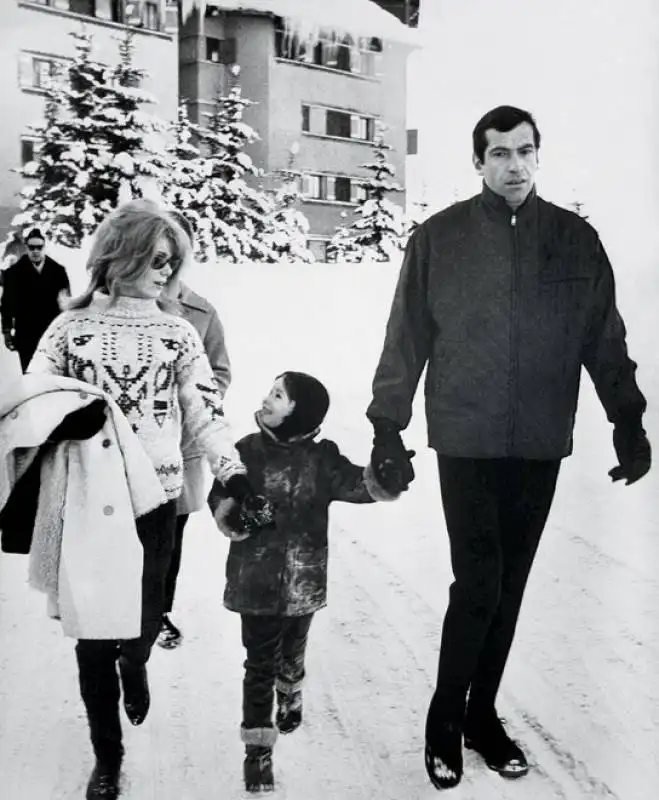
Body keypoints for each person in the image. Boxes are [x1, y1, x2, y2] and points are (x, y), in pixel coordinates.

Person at [366, 105, 651, 790]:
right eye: (498, 153)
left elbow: (601, 338)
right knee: (478, 582)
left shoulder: (573, 239)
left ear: (537, 154)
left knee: (509, 587)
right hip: (464, 437)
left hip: (538, 440)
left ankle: (481, 715)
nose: (513, 165)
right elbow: (406, 336)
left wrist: (626, 419)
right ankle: (444, 719)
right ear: (477, 161)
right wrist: (386, 425)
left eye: (523, 151)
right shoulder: (439, 238)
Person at [27, 199, 260, 800]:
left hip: (155, 501)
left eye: (173, 261)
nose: (167, 272)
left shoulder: (179, 331)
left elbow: (205, 413)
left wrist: (232, 473)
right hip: (84, 502)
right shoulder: (67, 329)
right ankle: (108, 757)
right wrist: (59, 423)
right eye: (158, 259)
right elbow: (28, 403)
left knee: (143, 624)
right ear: (121, 255)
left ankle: (136, 664)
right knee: (91, 638)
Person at [208, 371, 404, 793]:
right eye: (271, 391)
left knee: (292, 651)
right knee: (258, 666)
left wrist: (386, 476)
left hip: (304, 584)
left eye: (277, 395)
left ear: (300, 411)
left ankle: (291, 687)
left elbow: (358, 485)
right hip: (255, 583)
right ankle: (258, 753)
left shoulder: (322, 458)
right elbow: (218, 496)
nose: (266, 398)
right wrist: (238, 514)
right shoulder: (245, 451)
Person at [156, 209, 232, 650]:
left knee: (172, 535)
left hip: (182, 447)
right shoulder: (122, 305)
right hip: (129, 448)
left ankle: (159, 610)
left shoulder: (202, 312)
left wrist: (193, 400)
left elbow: (220, 371)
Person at [1, 228, 70, 371]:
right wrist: (7, 331)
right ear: (26, 248)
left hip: (51, 334)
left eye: (39, 247)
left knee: (52, 377)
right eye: (32, 247)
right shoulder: (13, 273)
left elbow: (66, 303)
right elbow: (7, 304)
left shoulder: (58, 271)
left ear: (44, 247)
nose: (36, 251)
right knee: (30, 374)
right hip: (26, 333)